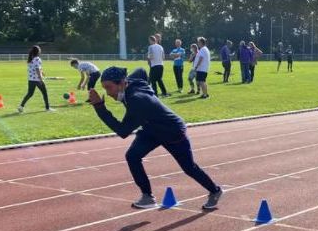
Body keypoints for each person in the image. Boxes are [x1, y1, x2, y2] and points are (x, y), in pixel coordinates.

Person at [88, 66, 223, 210]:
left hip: (172, 131)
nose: (108, 93)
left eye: (109, 88)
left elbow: (123, 131)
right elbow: (141, 70)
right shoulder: (133, 81)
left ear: (121, 83)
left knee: (189, 168)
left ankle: (215, 191)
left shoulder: (137, 100)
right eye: (105, 88)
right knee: (132, 156)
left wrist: (99, 107)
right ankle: (147, 196)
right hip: (151, 129)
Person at [18, 45, 54, 113]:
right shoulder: (37, 59)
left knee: (30, 94)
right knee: (44, 93)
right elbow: (37, 69)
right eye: (40, 49)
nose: (40, 50)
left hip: (31, 79)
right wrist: (41, 79)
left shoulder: (30, 59)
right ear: (38, 51)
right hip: (37, 79)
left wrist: (42, 72)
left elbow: (36, 68)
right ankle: (47, 108)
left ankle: (21, 106)